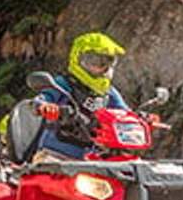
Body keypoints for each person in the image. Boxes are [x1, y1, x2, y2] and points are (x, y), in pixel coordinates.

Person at [32, 32, 129, 160]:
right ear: (78, 59)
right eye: (95, 61)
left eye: (106, 62)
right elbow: (40, 100)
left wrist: (143, 119)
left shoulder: (108, 92)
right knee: (46, 165)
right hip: (55, 152)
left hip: (94, 156)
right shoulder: (63, 84)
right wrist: (46, 107)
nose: (100, 67)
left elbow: (125, 113)